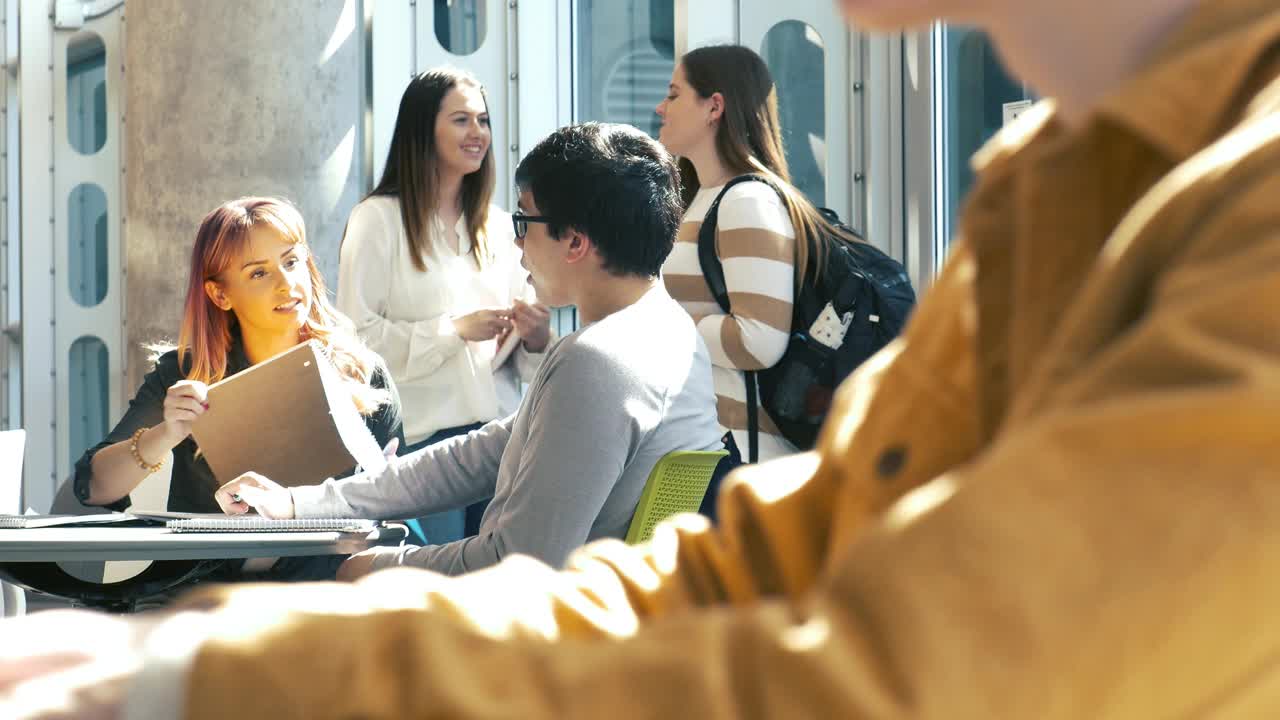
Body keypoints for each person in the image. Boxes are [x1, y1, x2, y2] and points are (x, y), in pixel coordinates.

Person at [5, 0, 1280, 717]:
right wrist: (210, 668)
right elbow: (779, 558)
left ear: (560, 244)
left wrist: (257, 662)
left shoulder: (1230, 206)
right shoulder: (1064, 186)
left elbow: (918, 672)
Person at [213, 122, 722, 581]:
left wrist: (375, 569)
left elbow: (519, 567)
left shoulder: (597, 361)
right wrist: (301, 503)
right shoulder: (671, 332)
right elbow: (478, 456)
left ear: (575, 241)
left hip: (534, 648)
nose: (517, 245)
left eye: (524, 222)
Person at [72, 196, 403, 580]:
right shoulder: (187, 372)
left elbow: (401, 504)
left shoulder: (362, 372)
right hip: (202, 592)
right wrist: (166, 433)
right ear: (220, 294)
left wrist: (384, 484)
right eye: (259, 273)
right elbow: (93, 487)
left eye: (291, 261)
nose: (287, 284)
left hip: (320, 593)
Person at [339, 67, 551, 543]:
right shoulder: (377, 221)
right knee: (433, 589)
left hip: (501, 441)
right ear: (422, 129)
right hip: (422, 446)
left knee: (495, 586)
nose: (478, 133)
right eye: (461, 120)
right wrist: (454, 330)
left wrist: (536, 337)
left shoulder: (498, 227)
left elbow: (523, 358)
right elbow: (354, 345)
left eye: (483, 119)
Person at [656, 44, 861, 465]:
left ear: (714, 107)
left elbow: (758, 340)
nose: (661, 108)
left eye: (674, 94)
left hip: (743, 453)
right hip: (709, 444)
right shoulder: (703, 199)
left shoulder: (746, 201)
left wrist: (658, 326)